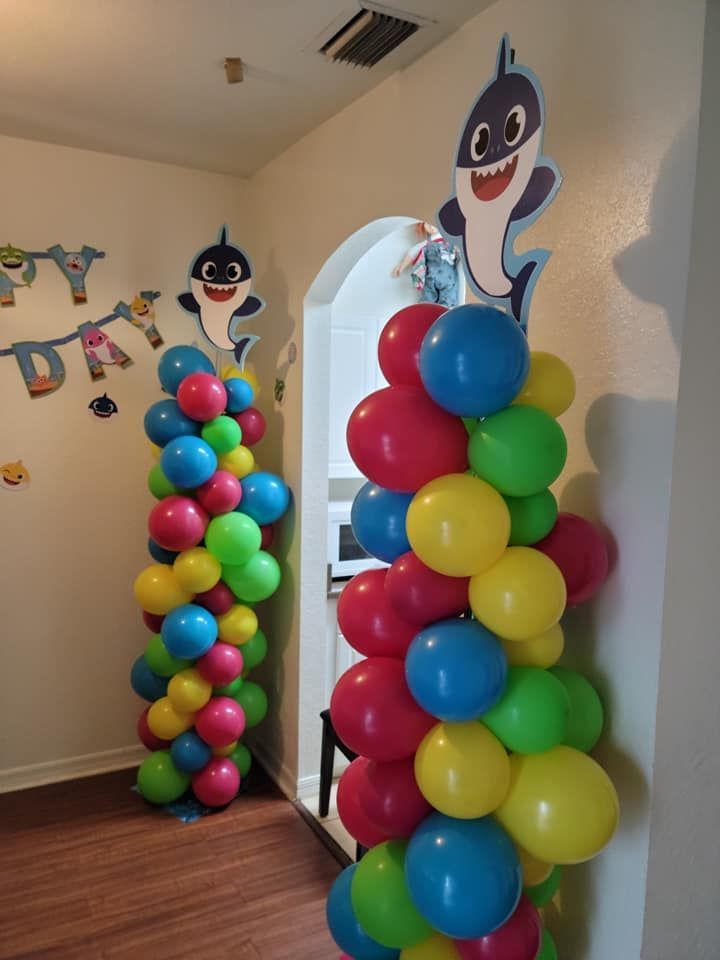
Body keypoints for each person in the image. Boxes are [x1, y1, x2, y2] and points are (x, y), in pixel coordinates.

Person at [392, 221, 460, 307]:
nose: (431, 226)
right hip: (430, 278)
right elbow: (413, 252)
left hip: (448, 279)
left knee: (448, 300)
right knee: (427, 300)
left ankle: (445, 316)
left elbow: (460, 251)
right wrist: (402, 266)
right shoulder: (426, 243)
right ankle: (426, 314)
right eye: (428, 223)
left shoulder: (451, 241)